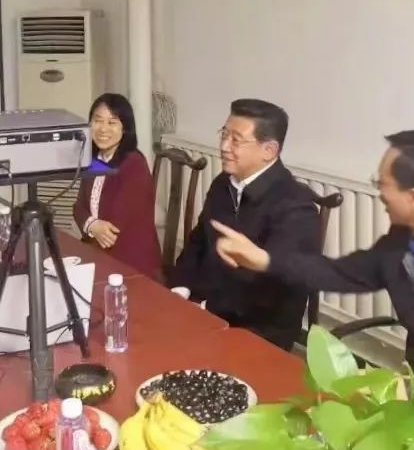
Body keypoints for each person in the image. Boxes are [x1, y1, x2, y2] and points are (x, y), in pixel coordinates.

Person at [211, 129, 414, 429]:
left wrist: (405, 389)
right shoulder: (404, 240)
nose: (379, 192)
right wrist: (264, 259)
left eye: (383, 184)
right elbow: (340, 273)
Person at [169, 99, 321, 350]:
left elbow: (272, 292)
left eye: (236, 140)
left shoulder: (296, 208)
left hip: (257, 332)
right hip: (206, 310)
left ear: (268, 150)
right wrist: (180, 289)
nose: (224, 146)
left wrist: (206, 308)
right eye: (224, 135)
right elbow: (198, 241)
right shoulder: (223, 184)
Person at [73, 93, 161, 280]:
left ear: (125, 128)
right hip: (98, 253)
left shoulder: (134, 164)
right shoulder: (94, 160)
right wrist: (93, 225)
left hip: (130, 265)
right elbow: (78, 207)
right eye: (97, 121)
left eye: (112, 122)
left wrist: (91, 226)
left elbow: (112, 230)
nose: (103, 128)